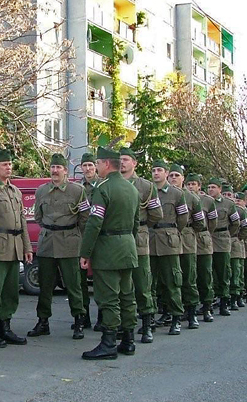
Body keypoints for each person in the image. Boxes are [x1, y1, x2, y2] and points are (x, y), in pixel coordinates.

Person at [80, 146, 140, 360]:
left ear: (106, 164)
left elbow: (94, 223)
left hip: (107, 250)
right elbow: (136, 223)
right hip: (128, 247)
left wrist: (85, 252)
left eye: (97, 163)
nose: (96, 166)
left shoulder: (102, 189)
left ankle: (108, 343)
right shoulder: (132, 188)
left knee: (108, 298)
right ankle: (128, 340)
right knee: (127, 296)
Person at [28, 153, 89, 340]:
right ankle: (43, 321)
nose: (55, 171)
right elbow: (38, 216)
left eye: (58, 168)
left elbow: (85, 218)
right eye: (52, 167)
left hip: (69, 242)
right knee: (45, 284)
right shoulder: (41, 191)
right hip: (47, 241)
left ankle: (79, 320)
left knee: (73, 284)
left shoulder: (77, 190)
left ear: (65, 171)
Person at [0, 149, 33, 348]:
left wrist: (27, 246)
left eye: (10, 164)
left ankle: (5, 327)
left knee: (11, 290)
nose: (8, 167)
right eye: (4, 164)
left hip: (15, 246)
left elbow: (23, 222)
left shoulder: (15, 191)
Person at [120, 148, 162, 343]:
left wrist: (142, 228)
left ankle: (147, 324)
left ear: (134, 163)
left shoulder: (145, 186)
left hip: (139, 240)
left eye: (126, 160)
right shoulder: (111, 184)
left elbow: (156, 214)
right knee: (121, 285)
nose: (122, 163)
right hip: (118, 239)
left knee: (142, 282)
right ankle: (124, 324)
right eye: (119, 160)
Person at [149, 160, 189, 335]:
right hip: (149, 240)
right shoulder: (147, 191)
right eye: (154, 170)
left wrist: (172, 232)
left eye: (160, 170)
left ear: (166, 173)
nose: (156, 173)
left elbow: (183, 218)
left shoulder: (177, 194)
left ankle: (175, 317)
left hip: (169, 239)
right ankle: (149, 318)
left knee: (172, 281)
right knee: (148, 282)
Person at [169, 164, 205, 330]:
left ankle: (191, 313)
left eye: (177, 175)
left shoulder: (192, 198)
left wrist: (187, 231)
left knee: (189, 278)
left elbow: (201, 222)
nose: (174, 178)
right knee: (171, 278)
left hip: (187, 239)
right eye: (171, 175)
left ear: (183, 178)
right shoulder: (162, 194)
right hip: (167, 241)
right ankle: (172, 312)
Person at [186, 173, 218, 322]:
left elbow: (213, 222)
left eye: (194, 184)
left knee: (205, 275)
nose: (191, 187)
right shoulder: (183, 197)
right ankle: (189, 308)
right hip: (186, 239)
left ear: (199, 186)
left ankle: (207, 307)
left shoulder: (208, 201)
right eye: (189, 184)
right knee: (189, 275)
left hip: (202, 240)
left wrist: (205, 234)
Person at [207, 178, 240, 316]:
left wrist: (227, 234)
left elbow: (236, 223)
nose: (211, 189)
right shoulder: (205, 202)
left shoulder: (228, 204)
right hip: (207, 239)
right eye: (209, 187)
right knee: (209, 272)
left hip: (222, 239)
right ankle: (209, 302)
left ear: (220, 189)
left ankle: (224, 302)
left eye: (213, 187)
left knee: (223, 272)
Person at [78, 152, 98, 330]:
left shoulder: (103, 185)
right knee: (81, 280)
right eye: (85, 166)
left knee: (101, 279)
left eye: (91, 165)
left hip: (100, 237)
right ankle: (84, 317)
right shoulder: (78, 188)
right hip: (82, 237)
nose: (88, 169)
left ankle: (103, 317)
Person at [223, 186, 247, 310]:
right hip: (220, 242)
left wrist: (237, 237)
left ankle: (236, 297)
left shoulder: (239, 211)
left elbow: (246, 228)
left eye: (229, 195)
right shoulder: (219, 206)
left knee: (235, 272)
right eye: (225, 194)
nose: (227, 197)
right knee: (224, 272)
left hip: (234, 242)